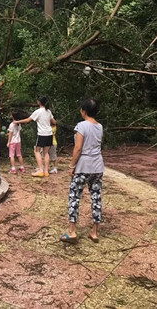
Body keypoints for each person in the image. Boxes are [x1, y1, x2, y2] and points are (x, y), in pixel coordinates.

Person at [60, 99, 104, 244]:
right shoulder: (100, 126)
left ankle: (72, 231)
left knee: (74, 196)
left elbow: (78, 148)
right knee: (96, 197)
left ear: (83, 111)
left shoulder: (81, 126)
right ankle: (95, 231)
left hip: (83, 166)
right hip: (98, 166)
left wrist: (72, 166)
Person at [15, 96, 56, 177]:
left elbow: (28, 120)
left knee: (37, 151)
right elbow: (54, 121)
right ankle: (46, 171)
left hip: (42, 134)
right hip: (49, 133)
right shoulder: (48, 111)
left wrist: (17, 121)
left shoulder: (38, 112)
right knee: (46, 152)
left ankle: (40, 170)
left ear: (39, 102)